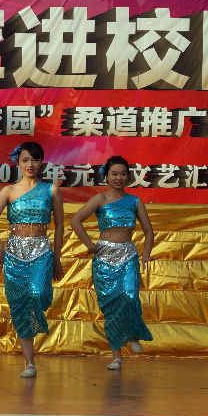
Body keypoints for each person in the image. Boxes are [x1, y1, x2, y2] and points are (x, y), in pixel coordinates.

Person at [0, 141, 64, 378]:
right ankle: (30, 363)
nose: (30, 164)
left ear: (42, 162)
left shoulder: (51, 190)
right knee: (20, 305)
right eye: (25, 160)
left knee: (38, 294)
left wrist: (57, 258)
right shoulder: (8, 191)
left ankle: (32, 347)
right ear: (18, 163)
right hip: (14, 253)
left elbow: (60, 225)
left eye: (35, 160)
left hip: (41, 251)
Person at [70, 155, 154, 370]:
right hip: (104, 258)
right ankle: (117, 356)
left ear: (128, 176)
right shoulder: (100, 199)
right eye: (114, 174)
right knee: (111, 306)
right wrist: (90, 245)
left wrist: (145, 254)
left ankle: (133, 334)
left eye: (123, 174)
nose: (119, 178)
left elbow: (148, 230)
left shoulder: (135, 201)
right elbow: (75, 220)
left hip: (128, 256)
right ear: (106, 176)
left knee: (130, 297)